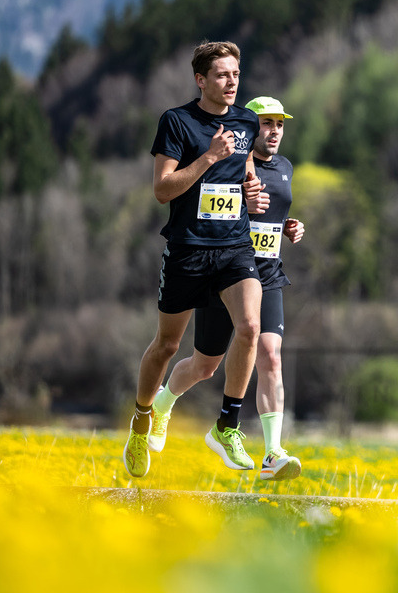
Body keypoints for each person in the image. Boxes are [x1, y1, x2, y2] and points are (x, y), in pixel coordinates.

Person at [123, 40, 264, 479]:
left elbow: (244, 171)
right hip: (188, 249)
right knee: (167, 346)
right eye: (222, 75)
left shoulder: (246, 122)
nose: (231, 82)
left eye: (236, 75)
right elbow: (163, 189)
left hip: (234, 248)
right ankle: (143, 418)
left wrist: (252, 191)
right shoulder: (177, 122)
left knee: (251, 326)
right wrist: (208, 157)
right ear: (201, 80)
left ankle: (227, 425)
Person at [145, 96, 306, 481]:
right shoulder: (228, 165)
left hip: (265, 275)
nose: (273, 131)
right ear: (247, 128)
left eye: (279, 124)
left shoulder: (284, 168)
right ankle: (163, 405)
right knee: (204, 366)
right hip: (225, 271)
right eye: (265, 123)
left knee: (271, 353)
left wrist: (290, 228)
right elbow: (209, 209)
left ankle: (272, 452)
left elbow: (274, 214)